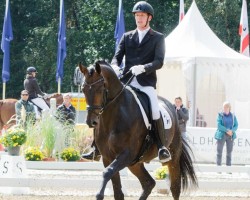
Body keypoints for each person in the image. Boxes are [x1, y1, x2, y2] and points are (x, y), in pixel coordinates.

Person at [82, 1, 171, 163]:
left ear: (149, 18)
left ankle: (161, 147)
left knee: (155, 109)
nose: (139, 18)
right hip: (126, 81)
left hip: (145, 82)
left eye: (142, 16)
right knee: (104, 106)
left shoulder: (158, 38)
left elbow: (159, 61)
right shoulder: (127, 36)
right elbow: (117, 56)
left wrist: (144, 68)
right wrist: (115, 66)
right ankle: (96, 147)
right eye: (137, 16)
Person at [215, 101, 238, 168]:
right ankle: (218, 168)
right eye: (224, 107)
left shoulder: (233, 116)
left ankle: (228, 168)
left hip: (230, 136)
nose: (225, 108)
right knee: (219, 152)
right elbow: (219, 125)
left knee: (229, 153)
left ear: (229, 108)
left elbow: (236, 125)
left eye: (226, 107)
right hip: (221, 135)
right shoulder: (220, 115)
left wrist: (232, 131)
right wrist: (227, 130)